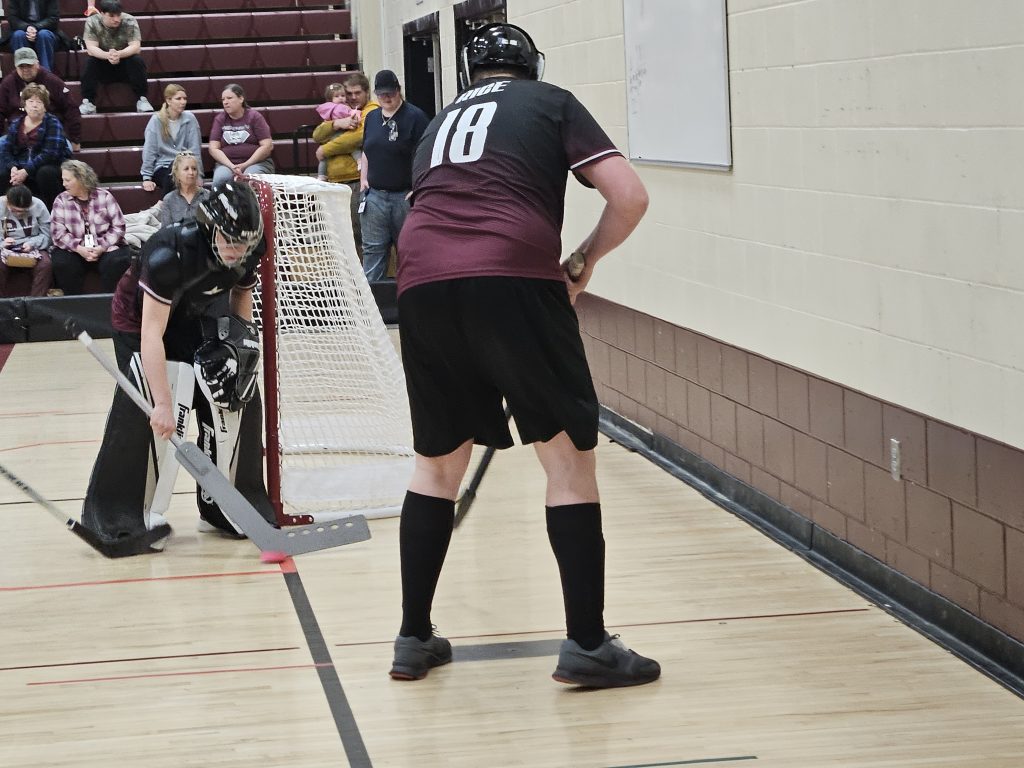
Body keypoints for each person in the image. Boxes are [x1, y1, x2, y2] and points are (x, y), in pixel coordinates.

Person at [388, 23, 658, 689]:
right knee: (566, 460)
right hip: (513, 274)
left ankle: (413, 636)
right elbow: (630, 196)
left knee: (435, 463)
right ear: (531, 67)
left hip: (420, 281)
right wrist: (584, 261)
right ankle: (589, 645)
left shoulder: (436, 122)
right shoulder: (552, 102)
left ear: (469, 72)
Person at [81, 181, 275, 547]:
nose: (237, 252)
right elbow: (152, 332)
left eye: (244, 244)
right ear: (209, 227)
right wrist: (164, 404)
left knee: (237, 392)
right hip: (140, 322)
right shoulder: (168, 253)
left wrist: (240, 343)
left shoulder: (247, 247)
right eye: (230, 241)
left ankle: (227, 506)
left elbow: (241, 292)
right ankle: (124, 515)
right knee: (147, 409)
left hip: (196, 312)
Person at [358, 69, 428, 283]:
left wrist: (419, 188)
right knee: (372, 252)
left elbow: (427, 153)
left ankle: (409, 301)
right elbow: (366, 150)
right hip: (375, 196)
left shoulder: (416, 117)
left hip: (404, 196)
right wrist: (364, 180)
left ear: (399, 90)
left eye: (390, 93)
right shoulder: (371, 117)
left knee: (408, 253)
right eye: (381, 94)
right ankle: (373, 307)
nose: (386, 98)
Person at [312, 73, 377, 257]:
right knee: (340, 233)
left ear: (366, 92)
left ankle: (367, 278)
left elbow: (357, 137)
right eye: (349, 93)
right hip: (335, 179)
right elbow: (317, 134)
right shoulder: (341, 111)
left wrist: (326, 149)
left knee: (359, 232)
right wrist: (336, 124)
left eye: (357, 93)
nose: (352, 97)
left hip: (356, 179)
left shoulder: (370, 110)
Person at [50, 159, 132, 294]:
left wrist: (101, 247)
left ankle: (111, 304)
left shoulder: (105, 196)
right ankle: (73, 306)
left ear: (81, 179)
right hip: (75, 249)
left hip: (105, 247)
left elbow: (118, 227)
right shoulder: (61, 199)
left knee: (118, 261)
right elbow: (58, 233)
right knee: (62, 263)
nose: (64, 184)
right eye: (63, 180)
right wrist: (79, 248)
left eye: (67, 180)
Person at [0, 83, 70, 208]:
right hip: (20, 165)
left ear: (45, 106)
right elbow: (6, 150)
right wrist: (13, 168)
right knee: (3, 173)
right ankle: (6, 213)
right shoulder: (16, 124)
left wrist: (26, 171)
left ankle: (53, 212)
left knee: (45, 173)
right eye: (31, 101)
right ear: (24, 105)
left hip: (48, 165)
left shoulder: (53, 122)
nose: (34, 105)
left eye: (39, 102)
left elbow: (50, 154)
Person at [0, 47, 82, 152]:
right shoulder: (8, 84)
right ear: (15, 67)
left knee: (64, 149)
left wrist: (75, 139)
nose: (25, 70)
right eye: (21, 66)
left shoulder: (52, 81)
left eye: (29, 66)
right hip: (17, 134)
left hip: (50, 132)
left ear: (37, 63)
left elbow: (71, 109)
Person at [79, 0, 153, 116]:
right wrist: (107, 55)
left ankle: (142, 98)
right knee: (90, 62)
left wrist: (119, 54)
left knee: (137, 61)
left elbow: (135, 46)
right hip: (102, 64)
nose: (117, 19)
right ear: (102, 14)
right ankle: (88, 101)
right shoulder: (92, 21)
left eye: (118, 15)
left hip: (124, 63)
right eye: (112, 16)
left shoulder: (129, 20)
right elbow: (91, 49)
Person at [141, 84, 203, 196]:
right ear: (168, 100)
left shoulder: (190, 119)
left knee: (181, 176)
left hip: (186, 167)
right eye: (178, 99)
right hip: (163, 166)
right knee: (172, 177)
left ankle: (162, 207)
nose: (183, 102)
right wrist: (146, 177)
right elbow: (150, 149)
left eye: (185, 99)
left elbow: (195, 149)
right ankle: (165, 207)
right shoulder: (156, 120)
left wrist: (198, 175)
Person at [207, 83, 274, 186]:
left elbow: (267, 146)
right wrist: (231, 166)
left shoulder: (255, 117)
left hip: (256, 163)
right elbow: (213, 148)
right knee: (220, 180)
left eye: (229, 98)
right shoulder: (220, 119)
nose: (225, 102)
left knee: (248, 180)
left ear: (241, 99)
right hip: (227, 165)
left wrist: (245, 165)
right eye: (223, 99)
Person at [0, 183, 52, 297]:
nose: (18, 214)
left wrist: (32, 243)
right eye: (14, 210)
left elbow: (48, 234)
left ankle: (36, 306)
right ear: (7, 202)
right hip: (5, 247)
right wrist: (2, 243)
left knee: (45, 265)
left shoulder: (38, 205)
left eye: (23, 211)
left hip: (33, 246)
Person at [314, 82, 360, 182]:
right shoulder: (329, 110)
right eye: (337, 96)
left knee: (355, 149)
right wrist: (336, 124)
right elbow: (316, 136)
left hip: (353, 174)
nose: (341, 98)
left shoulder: (349, 108)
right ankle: (321, 174)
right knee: (324, 159)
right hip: (334, 174)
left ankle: (360, 161)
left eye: (343, 96)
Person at [4, 0, 60, 73]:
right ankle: (22, 74)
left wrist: (36, 27)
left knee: (44, 35)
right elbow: (13, 18)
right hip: (22, 29)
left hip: (45, 30)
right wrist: (27, 27)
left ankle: (45, 75)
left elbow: (53, 18)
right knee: (18, 35)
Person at [158, 150, 209, 227]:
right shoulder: (169, 199)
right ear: (177, 174)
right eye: (186, 169)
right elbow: (165, 233)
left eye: (194, 169)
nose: (191, 173)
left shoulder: (208, 196)